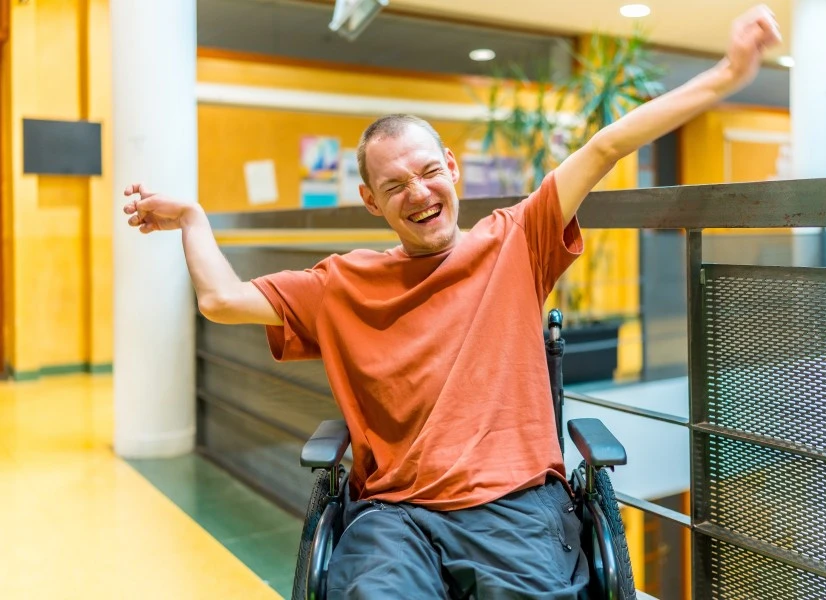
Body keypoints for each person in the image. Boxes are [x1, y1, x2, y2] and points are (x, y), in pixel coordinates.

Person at [124, 6, 780, 598]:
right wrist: (191, 218)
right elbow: (221, 300)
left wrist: (726, 74)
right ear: (371, 201)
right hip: (393, 519)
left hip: (516, 505)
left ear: (452, 168)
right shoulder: (340, 282)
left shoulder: (516, 241)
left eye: (429, 171)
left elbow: (605, 147)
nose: (418, 191)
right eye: (395, 183)